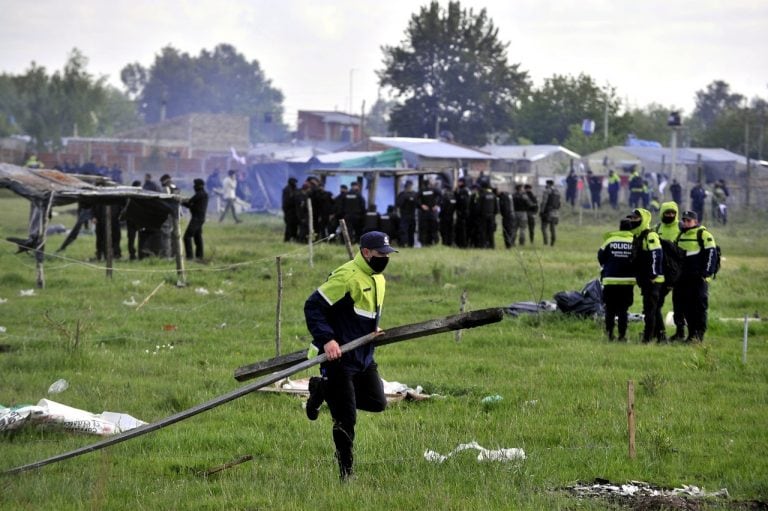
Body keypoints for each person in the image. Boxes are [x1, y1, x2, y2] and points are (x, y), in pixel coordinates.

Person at [303, 231, 397, 480]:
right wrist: (327, 340)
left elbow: (366, 312)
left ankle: (322, 390)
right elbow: (313, 306)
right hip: (339, 359)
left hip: (364, 356)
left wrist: (373, 329)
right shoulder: (346, 276)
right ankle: (346, 473)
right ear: (366, 253)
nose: (385, 258)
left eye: (387, 254)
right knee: (346, 419)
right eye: (380, 254)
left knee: (378, 403)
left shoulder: (379, 278)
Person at [675, 210, 718, 343]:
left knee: (699, 307)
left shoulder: (703, 234)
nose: (686, 223)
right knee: (687, 308)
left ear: (696, 221)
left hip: (699, 278)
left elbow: (712, 253)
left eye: (689, 220)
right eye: (684, 220)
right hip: (684, 278)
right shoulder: (680, 236)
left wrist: (707, 272)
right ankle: (691, 334)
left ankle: (699, 335)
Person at [627, 208, 665, 343]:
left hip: (654, 280)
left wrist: (653, 274)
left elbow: (657, 254)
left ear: (643, 220)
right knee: (652, 309)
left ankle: (648, 338)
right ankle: (660, 337)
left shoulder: (650, 236)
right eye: (631, 218)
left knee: (650, 309)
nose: (632, 221)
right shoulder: (637, 236)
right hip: (645, 279)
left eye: (635, 218)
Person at [597, 219, 636, 341]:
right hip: (627, 281)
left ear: (619, 228)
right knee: (623, 310)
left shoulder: (610, 240)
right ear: (631, 229)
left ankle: (609, 335)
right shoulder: (633, 241)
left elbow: (600, 256)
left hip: (610, 280)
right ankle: (622, 336)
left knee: (610, 309)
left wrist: (608, 266)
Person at [654, 202, 683, 340]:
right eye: (667, 213)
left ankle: (680, 333)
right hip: (660, 272)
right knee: (655, 303)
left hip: (679, 273)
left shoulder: (681, 227)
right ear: (662, 214)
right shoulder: (657, 228)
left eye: (673, 213)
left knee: (679, 304)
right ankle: (660, 334)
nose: (670, 215)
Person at [181, 178, 209, 260]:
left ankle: (189, 257)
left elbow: (190, 202)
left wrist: (181, 201)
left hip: (197, 218)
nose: (193, 186)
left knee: (187, 237)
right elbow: (191, 205)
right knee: (197, 237)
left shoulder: (200, 194)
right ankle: (199, 256)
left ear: (198, 185)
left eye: (194, 185)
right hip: (199, 218)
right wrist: (183, 202)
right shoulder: (203, 194)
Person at [417, 180, 440, 246]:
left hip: (424, 213)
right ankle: (434, 242)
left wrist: (421, 205)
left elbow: (416, 199)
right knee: (433, 229)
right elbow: (441, 196)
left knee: (425, 229)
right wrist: (437, 205)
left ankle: (425, 243)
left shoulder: (422, 191)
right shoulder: (434, 190)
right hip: (432, 213)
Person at [395, 180, 418, 247]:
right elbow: (398, 204)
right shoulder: (403, 194)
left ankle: (410, 244)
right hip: (405, 215)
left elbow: (418, 204)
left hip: (411, 216)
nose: (410, 187)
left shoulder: (414, 194)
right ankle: (404, 244)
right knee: (404, 231)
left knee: (411, 231)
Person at [539, 179, 561, 246]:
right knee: (553, 228)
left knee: (544, 227)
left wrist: (541, 211)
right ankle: (552, 242)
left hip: (547, 211)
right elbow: (559, 203)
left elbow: (544, 202)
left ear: (548, 184)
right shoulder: (557, 192)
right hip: (556, 212)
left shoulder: (547, 191)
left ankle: (545, 242)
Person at [282, 177, 299, 242]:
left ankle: (293, 237)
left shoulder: (294, 189)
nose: (295, 184)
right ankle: (287, 239)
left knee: (294, 226)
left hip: (294, 211)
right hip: (289, 211)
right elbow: (287, 201)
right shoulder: (287, 190)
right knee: (289, 226)